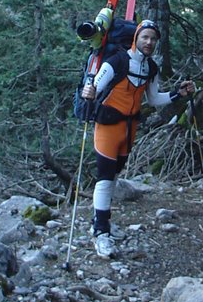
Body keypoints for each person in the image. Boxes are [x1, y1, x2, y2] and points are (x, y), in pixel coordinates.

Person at [80, 19, 195, 257]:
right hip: (108, 126)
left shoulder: (150, 68)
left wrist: (178, 94)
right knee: (104, 177)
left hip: (129, 128)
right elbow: (93, 90)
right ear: (136, 38)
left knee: (113, 175)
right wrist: (87, 92)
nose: (149, 42)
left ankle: (101, 223)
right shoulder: (117, 62)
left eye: (153, 38)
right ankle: (101, 232)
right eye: (145, 37)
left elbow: (153, 99)